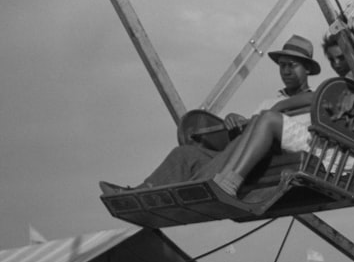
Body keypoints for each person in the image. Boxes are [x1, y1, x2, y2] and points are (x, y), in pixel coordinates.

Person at [100, 34, 322, 194]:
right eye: (282, 65)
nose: (285, 71)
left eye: (292, 65)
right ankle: (141, 192)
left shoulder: (316, 100)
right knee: (185, 154)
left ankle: (202, 187)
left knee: (258, 125)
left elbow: (307, 106)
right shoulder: (268, 101)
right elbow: (249, 134)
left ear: (307, 69)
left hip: (276, 157)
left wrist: (274, 111)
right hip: (243, 155)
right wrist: (235, 121)